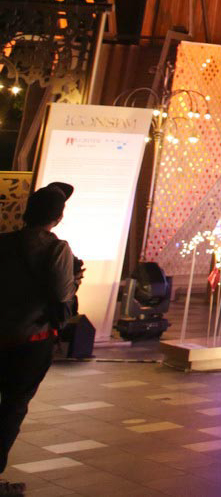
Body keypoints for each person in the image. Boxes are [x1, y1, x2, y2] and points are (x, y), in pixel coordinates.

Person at [1, 182, 78, 491]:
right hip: (29, 341)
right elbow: (63, 295)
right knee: (13, 406)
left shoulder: (3, 243)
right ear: (57, 218)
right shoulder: (57, 249)